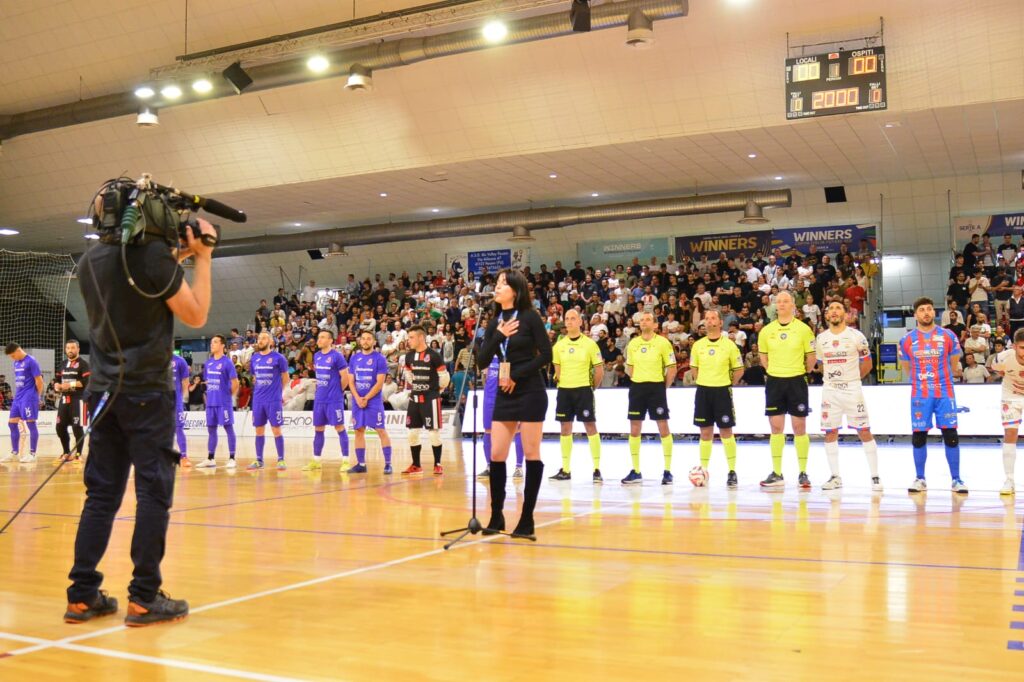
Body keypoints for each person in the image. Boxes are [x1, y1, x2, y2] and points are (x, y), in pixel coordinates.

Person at [65, 189, 216, 627]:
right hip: (147, 391)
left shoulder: (89, 260)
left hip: (103, 391)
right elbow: (196, 315)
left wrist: (177, 255)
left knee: (101, 496)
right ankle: (144, 597)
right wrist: (203, 257)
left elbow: (135, 279)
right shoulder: (152, 257)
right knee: (153, 493)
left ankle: (82, 596)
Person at [477, 269, 552, 540]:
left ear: (515, 290)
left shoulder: (530, 317)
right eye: (496, 283)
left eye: (502, 284)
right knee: (497, 454)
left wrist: (516, 376)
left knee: (531, 453)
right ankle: (496, 515)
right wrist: (498, 335)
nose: (497, 288)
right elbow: (482, 361)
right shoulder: (494, 321)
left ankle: (526, 518)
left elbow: (546, 354)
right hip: (505, 392)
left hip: (530, 389)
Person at [898, 297, 968, 494]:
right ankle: (920, 478)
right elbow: (907, 368)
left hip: (944, 391)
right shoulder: (907, 340)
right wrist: (922, 380)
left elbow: (954, 362)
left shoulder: (948, 335)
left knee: (951, 435)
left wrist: (940, 378)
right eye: (922, 310)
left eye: (929, 309)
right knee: (919, 436)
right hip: (920, 394)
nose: (926, 312)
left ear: (934, 313)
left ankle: (956, 479)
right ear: (915, 315)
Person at [815, 301, 882, 492]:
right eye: (831, 309)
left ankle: (875, 477)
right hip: (830, 391)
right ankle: (835, 477)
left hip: (852, 390)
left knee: (864, 431)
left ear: (845, 314)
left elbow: (868, 364)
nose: (834, 311)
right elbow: (821, 365)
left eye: (838, 308)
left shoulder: (856, 336)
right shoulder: (821, 338)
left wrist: (851, 379)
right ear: (826, 315)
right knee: (830, 432)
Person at [758, 291, 816, 489]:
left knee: (799, 427)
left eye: (786, 301)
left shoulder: (803, 329)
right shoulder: (766, 331)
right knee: (776, 428)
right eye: (779, 301)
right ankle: (777, 472)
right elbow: (763, 357)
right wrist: (775, 371)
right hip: (775, 382)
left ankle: (803, 472)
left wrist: (800, 372)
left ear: (793, 305)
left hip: (796, 380)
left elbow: (811, 357)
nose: (781, 304)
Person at [621, 312, 677, 486]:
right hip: (637, 388)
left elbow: (672, 368)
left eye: (648, 320)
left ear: (655, 325)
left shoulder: (663, 343)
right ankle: (636, 470)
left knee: (663, 427)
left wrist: (662, 388)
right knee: (634, 428)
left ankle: (667, 471)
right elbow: (629, 368)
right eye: (642, 320)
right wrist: (639, 379)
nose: (644, 322)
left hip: (656, 387)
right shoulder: (633, 343)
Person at [548, 309, 604, 483]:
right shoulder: (559, 346)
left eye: (573, 318)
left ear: (580, 321)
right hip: (564, 391)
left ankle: (596, 469)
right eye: (567, 318)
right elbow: (557, 372)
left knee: (590, 426)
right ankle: (565, 469)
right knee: (565, 428)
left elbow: (599, 370)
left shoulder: (590, 344)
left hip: (583, 390)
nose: (569, 321)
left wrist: (591, 388)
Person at [690, 309, 744, 489]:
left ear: (721, 323)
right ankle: (704, 470)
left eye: (713, 318)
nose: (709, 321)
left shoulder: (729, 345)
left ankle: (732, 471)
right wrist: (703, 381)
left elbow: (739, 370)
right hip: (703, 391)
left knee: (726, 432)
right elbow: (694, 369)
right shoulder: (698, 345)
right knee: (705, 432)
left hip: (722, 391)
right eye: (706, 318)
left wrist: (727, 383)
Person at [401, 325, 449, 475]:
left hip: (430, 399)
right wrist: (415, 385)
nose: (408, 340)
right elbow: (408, 373)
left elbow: (444, 378)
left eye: (411, 337)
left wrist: (437, 391)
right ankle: (416, 465)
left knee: (433, 433)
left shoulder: (434, 355)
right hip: (414, 398)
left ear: (421, 337)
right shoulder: (409, 356)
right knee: (412, 433)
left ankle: (437, 464)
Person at [303, 330, 351, 471]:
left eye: (322, 337)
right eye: (319, 337)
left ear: (330, 340)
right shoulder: (317, 356)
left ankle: (346, 461)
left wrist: (338, 392)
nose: (319, 340)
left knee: (339, 428)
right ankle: (316, 461)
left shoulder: (337, 356)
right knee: (318, 429)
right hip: (319, 399)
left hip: (333, 400)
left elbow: (346, 377)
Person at [347, 330, 394, 474]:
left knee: (380, 430)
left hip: (373, 401)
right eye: (363, 338)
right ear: (360, 341)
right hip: (357, 401)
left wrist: (366, 398)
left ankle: (388, 464)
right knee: (358, 431)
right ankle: (361, 464)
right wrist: (357, 398)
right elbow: (351, 381)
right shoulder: (354, 358)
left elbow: (379, 383)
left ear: (374, 341)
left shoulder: (380, 359)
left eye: (369, 339)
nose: (365, 341)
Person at [479, 350, 525, 479]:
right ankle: (489, 466)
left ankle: (519, 467)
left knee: (517, 429)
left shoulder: (514, 349)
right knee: (488, 430)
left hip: (510, 395)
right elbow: (484, 375)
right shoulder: (489, 350)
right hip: (490, 396)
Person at [247, 331, 289, 471]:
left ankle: (281, 460)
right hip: (258, 400)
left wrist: (278, 392)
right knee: (259, 430)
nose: (260, 340)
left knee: (276, 429)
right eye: (259, 338)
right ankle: (259, 460)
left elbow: (286, 378)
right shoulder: (254, 358)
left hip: (273, 400)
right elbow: (255, 377)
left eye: (264, 338)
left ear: (271, 341)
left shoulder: (279, 358)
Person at [196, 335, 239, 469]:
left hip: (223, 403)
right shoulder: (208, 363)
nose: (212, 344)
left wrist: (228, 396)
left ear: (222, 345)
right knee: (211, 430)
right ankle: (210, 458)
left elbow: (235, 383)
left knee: (228, 428)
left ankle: (232, 458)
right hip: (211, 403)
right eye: (211, 342)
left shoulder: (227, 362)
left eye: (215, 342)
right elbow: (208, 381)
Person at [990, 328, 1024, 495]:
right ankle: (1009, 480)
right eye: (1022, 348)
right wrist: (1000, 372)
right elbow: (994, 367)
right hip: (1011, 394)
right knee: (1010, 433)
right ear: (1014, 346)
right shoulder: (1003, 357)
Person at [2, 343, 42, 463]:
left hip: (29, 397)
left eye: (13, 355)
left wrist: (37, 396)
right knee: (12, 424)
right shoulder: (16, 362)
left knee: (31, 424)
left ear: (18, 350)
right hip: (18, 398)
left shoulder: (31, 361)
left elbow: (39, 381)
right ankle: (15, 453)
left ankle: (32, 454)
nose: (12, 358)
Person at [54, 339, 90, 462]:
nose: (70, 350)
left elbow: (86, 382)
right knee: (59, 427)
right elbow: (57, 379)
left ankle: (78, 454)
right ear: (65, 349)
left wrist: (69, 384)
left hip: (79, 400)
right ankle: (66, 452)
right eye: (68, 348)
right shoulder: (63, 364)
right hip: (64, 399)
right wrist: (56, 386)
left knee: (77, 427)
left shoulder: (83, 364)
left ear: (78, 349)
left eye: (73, 348)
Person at [171, 354, 191, 467]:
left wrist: (182, 398)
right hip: (161, 402)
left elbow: (185, 382)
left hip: (176, 401)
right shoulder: (157, 359)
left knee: (179, 428)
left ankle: (184, 456)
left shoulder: (180, 361)